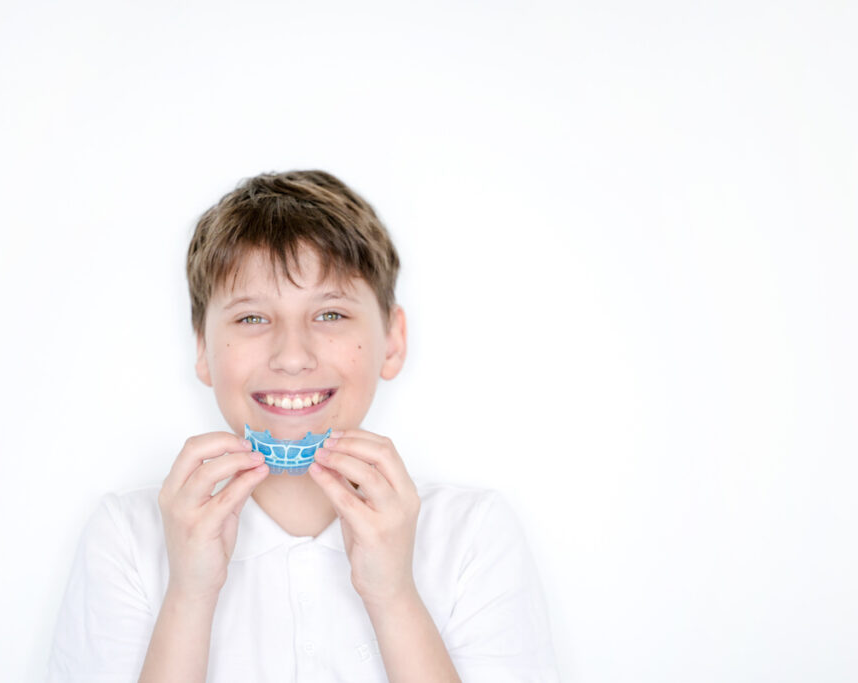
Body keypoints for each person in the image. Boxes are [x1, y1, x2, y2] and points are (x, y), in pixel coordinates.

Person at [46, 170, 560, 682]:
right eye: (252, 318)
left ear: (393, 339)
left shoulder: (471, 537)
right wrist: (188, 595)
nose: (292, 357)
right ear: (202, 347)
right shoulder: (128, 539)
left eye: (331, 314)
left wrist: (394, 596)